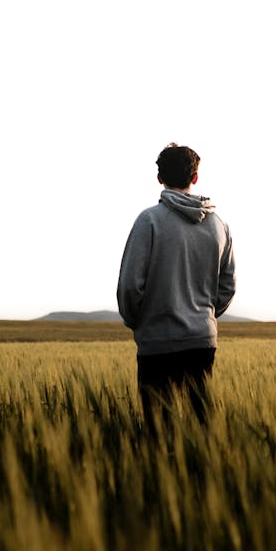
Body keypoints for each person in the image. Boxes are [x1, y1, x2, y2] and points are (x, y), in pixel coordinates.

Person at [117, 143, 236, 432]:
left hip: (157, 343)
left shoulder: (149, 221)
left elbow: (130, 286)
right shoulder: (219, 225)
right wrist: (203, 315)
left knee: (159, 433)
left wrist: (140, 322)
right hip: (202, 342)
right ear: (195, 178)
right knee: (203, 430)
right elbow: (227, 285)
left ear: (159, 178)